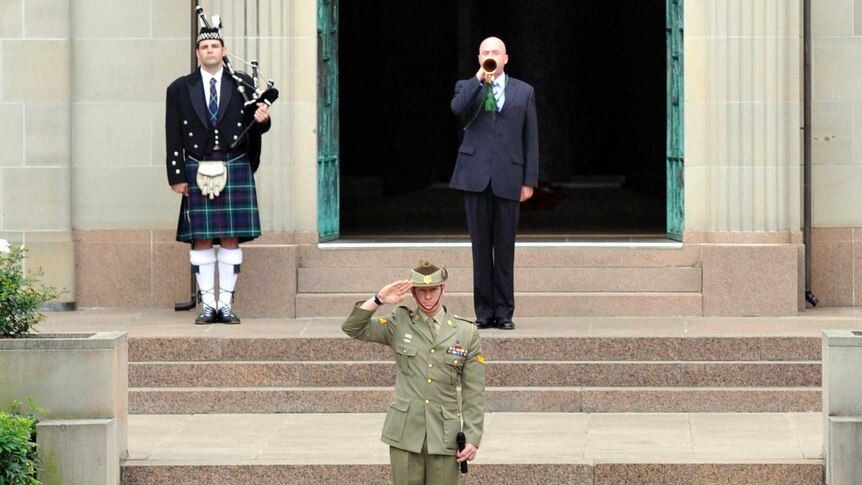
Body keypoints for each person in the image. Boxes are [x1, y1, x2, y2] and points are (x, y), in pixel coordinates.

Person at [165, 18, 271, 325]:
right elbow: (172, 133)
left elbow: (257, 127)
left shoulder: (243, 84)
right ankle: (207, 304)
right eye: (204, 47)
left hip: (234, 163)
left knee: (229, 237)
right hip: (196, 166)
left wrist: (263, 120)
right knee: (200, 239)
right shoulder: (180, 89)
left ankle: (225, 303)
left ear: (224, 50)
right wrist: (177, 175)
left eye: (214, 46)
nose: (210, 51)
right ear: (197, 52)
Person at [342, 260, 486, 485]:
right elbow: (353, 328)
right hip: (405, 431)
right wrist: (379, 299)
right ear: (412, 292)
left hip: (445, 433)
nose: (428, 297)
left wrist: (473, 436)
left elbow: (474, 391)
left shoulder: (465, 332)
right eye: (422, 291)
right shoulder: (399, 321)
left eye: (433, 290)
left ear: (443, 289)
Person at [450, 36, 539, 331]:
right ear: (479, 57)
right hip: (475, 178)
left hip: (508, 177)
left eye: (495, 52)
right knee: (480, 249)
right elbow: (457, 108)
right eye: (485, 52)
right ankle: (483, 312)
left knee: (504, 248)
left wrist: (529, 180)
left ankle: (504, 312)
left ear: (506, 58)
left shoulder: (524, 91)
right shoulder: (467, 86)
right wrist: (478, 79)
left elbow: (531, 138)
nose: (491, 56)